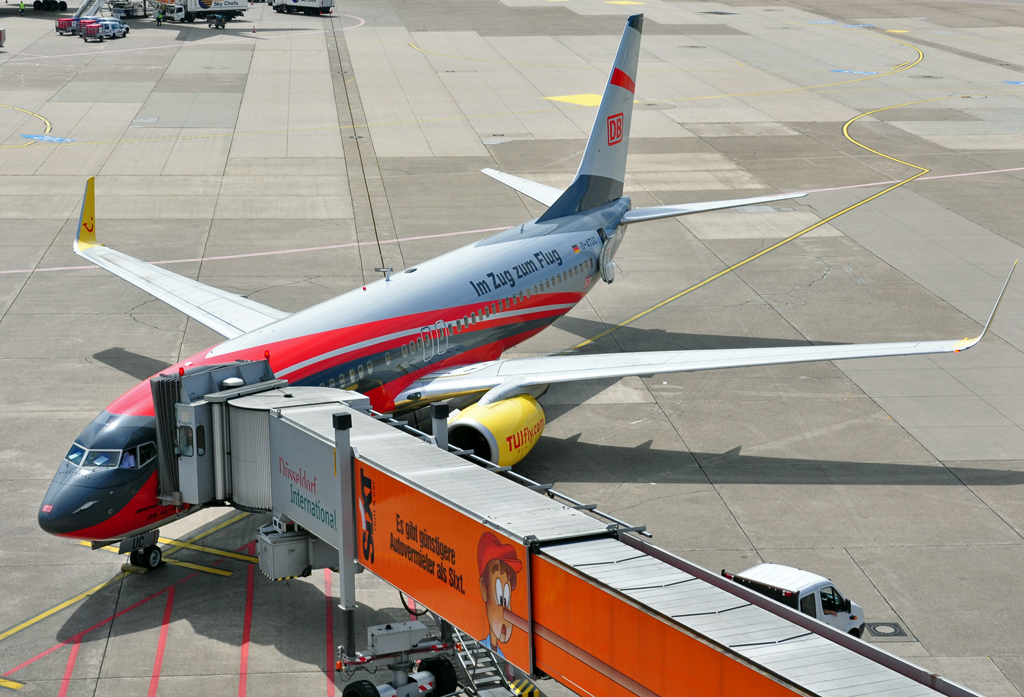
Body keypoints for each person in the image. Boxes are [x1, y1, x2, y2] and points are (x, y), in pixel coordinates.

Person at [477, 532, 521, 657]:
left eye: (507, 600)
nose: (506, 613)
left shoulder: (505, 655)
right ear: (484, 588)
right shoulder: (481, 647)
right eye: (501, 598)